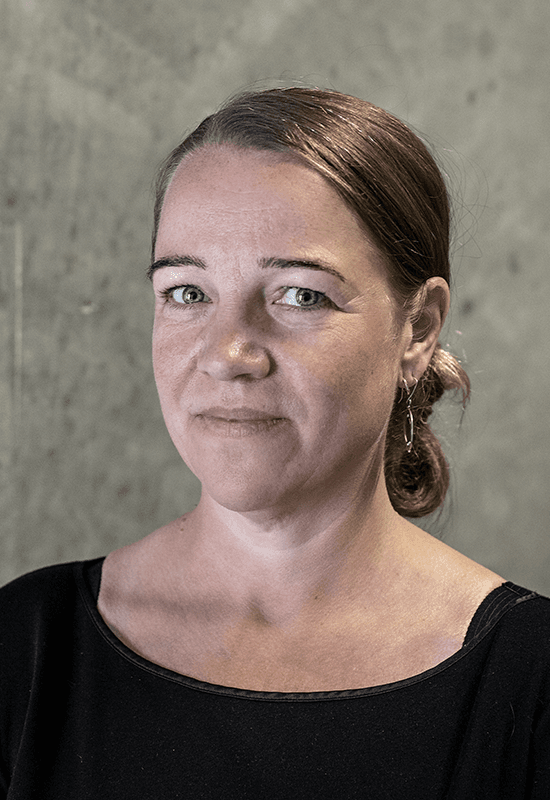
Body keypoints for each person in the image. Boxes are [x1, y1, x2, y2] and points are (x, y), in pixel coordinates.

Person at [1, 87, 549, 799]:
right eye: (187, 293)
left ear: (417, 329)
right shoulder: (25, 650)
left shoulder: (531, 681)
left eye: (301, 295)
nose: (229, 352)